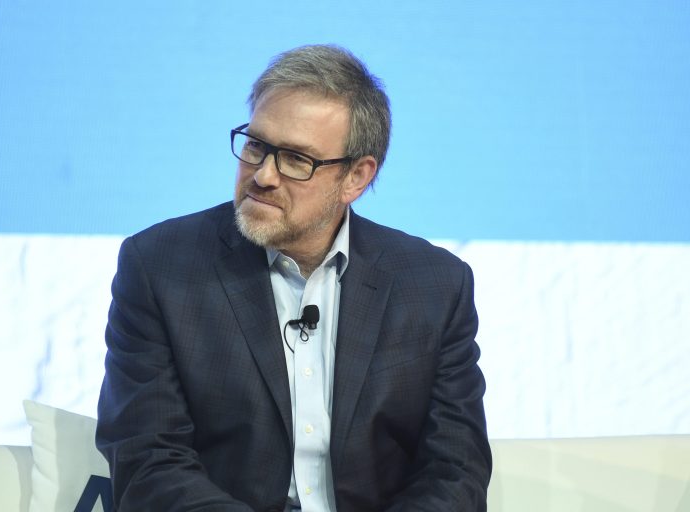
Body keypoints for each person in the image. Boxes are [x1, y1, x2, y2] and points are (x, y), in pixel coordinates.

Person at [96, 44, 491, 512]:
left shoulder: (434, 286)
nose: (263, 175)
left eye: (296, 159)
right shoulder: (161, 267)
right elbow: (148, 463)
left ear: (356, 177)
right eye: (256, 146)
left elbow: (455, 469)